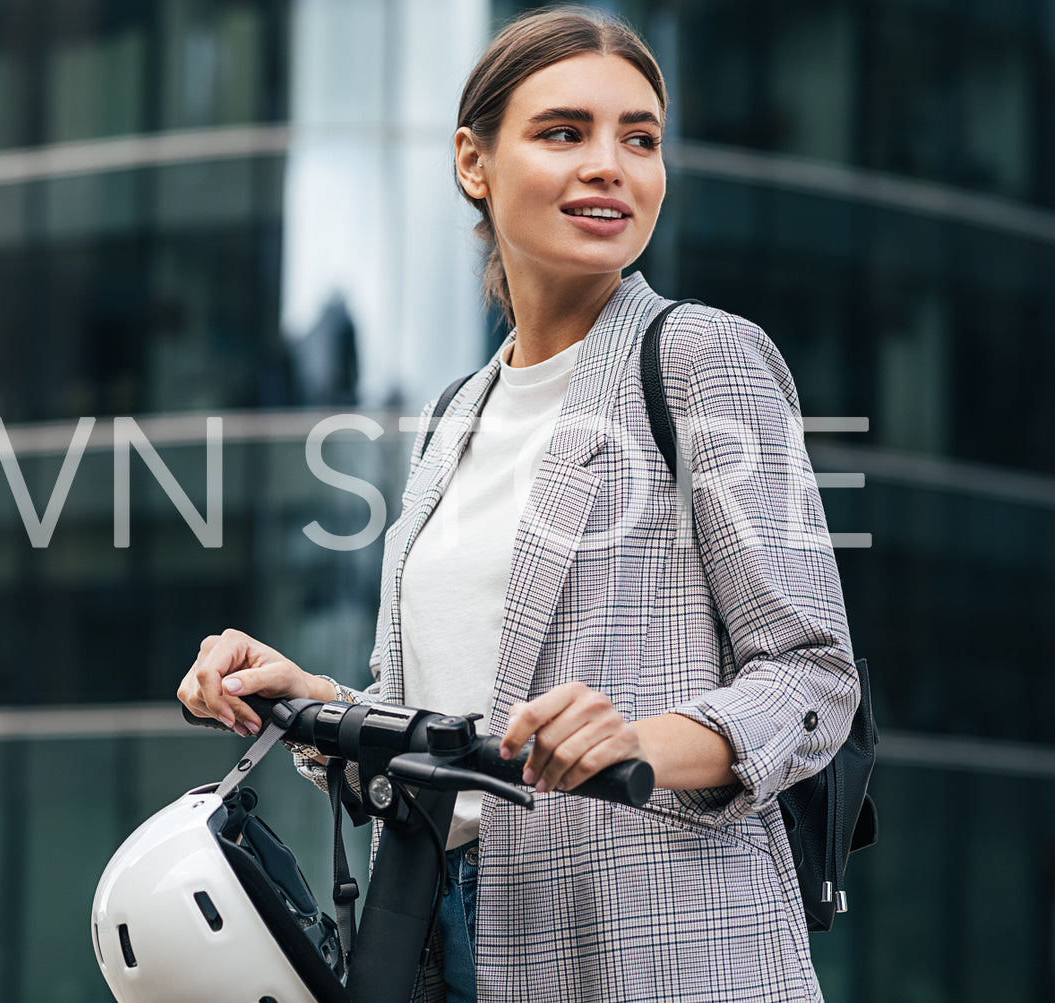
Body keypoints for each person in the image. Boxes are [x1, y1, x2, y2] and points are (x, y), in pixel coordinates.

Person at [177, 6, 858, 1002]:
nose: (608, 165)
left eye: (638, 138)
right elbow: (452, 731)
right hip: (441, 930)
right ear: (473, 161)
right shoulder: (457, 413)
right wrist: (306, 700)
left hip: (651, 940)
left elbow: (808, 675)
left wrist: (639, 741)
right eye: (562, 131)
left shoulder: (702, 357)